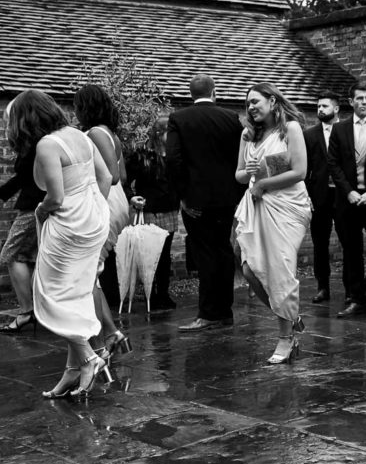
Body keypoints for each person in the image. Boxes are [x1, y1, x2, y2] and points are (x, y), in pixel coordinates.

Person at [8, 91, 112, 399]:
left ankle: (89, 356)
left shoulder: (47, 144)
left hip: (68, 228)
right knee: (76, 292)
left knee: (50, 296)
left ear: (25, 120)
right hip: (94, 222)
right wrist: (95, 210)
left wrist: (41, 210)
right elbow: (105, 177)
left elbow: (54, 198)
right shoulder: (81, 136)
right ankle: (72, 370)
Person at [234, 84, 312, 364]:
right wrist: (251, 173)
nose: (251, 107)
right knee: (250, 269)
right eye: (248, 104)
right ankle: (292, 317)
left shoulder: (289, 129)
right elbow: (239, 175)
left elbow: (300, 171)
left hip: (288, 206)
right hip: (258, 203)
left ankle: (285, 338)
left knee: (280, 269)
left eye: (255, 101)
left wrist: (264, 182)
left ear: (272, 100)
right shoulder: (248, 134)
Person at [167, 74, 244, 332]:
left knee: (205, 255)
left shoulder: (179, 119)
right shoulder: (230, 118)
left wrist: (184, 196)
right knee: (222, 250)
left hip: (195, 202)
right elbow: (239, 157)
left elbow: (174, 160)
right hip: (226, 199)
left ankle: (209, 314)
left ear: (191, 94)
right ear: (214, 91)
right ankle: (224, 311)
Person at [74, 84, 131, 356]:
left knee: (87, 275)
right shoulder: (111, 134)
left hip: (105, 201)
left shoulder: (95, 132)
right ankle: (110, 333)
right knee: (92, 275)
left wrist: (92, 204)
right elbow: (124, 175)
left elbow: (112, 175)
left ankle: (107, 335)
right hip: (117, 201)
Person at [328, 81, 366, 318]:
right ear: (351, 101)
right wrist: (349, 192)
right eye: (359, 99)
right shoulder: (339, 129)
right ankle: (357, 300)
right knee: (351, 251)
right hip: (349, 201)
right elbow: (333, 163)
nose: (364, 103)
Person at [0, 101, 44, 334]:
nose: (8, 124)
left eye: (10, 118)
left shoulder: (39, 144)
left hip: (34, 209)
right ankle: (35, 310)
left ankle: (27, 311)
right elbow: (24, 177)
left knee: (12, 254)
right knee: (31, 257)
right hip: (34, 207)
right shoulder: (34, 143)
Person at [125, 116, 180, 311]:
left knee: (165, 254)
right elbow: (124, 180)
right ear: (159, 133)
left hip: (170, 209)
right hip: (150, 210)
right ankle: (153, 294)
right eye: (169, 133)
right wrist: (132, 197)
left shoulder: (174, 154)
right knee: (152, 254)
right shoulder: (142, 155)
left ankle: (162, 294)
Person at [304, 91, 340, 304]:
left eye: (325, 106)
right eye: (318, 106)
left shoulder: (347, 131)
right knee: (319, 243)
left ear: (336, 109)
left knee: (348, 240)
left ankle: (353, 289)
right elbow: (305, 166)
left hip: (343, 195)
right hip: (319, 196)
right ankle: (322, 286)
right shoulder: (309, 135)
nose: (320, 110)